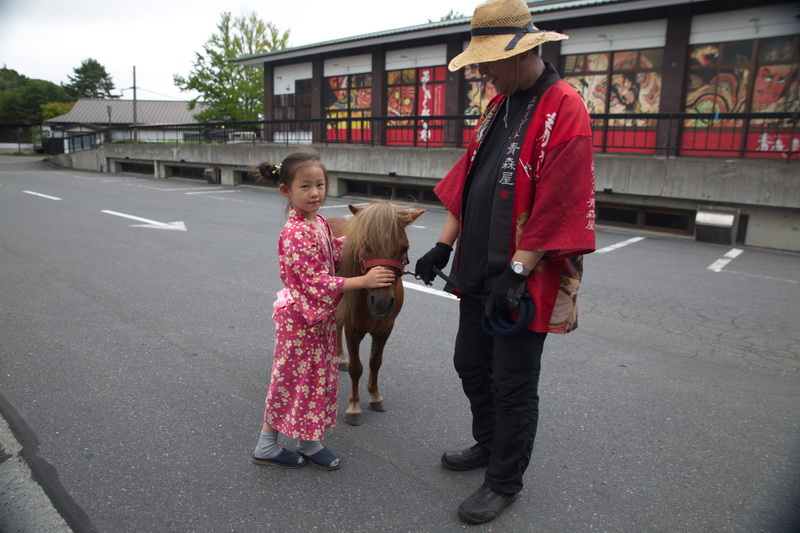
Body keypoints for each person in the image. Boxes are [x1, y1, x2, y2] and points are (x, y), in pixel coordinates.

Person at [414, 0, 596, 524]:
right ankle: (489, 444)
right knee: (470, 362)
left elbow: (561, 200)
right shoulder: (498, 104)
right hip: (477, 264)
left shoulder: (565, 107)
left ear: (522, 51)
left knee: (513, 380)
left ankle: (504, 481)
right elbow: (470, 178)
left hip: (525, 275)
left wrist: (518, 270)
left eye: (489, 60)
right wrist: (443, 245)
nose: (483, 70)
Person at [249, 147, 395, 470]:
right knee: (289, 381)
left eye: (320, 184)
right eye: (305, 186)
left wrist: (362, 239)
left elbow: (332, 248)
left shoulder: (314, 222)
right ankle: (266, 445)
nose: (315, 193)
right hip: (300, 322)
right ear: (286, 190)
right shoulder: (296, 231)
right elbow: (315, 282)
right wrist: (363, 280)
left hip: (315, 321)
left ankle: (308, 440)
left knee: (315, 380)